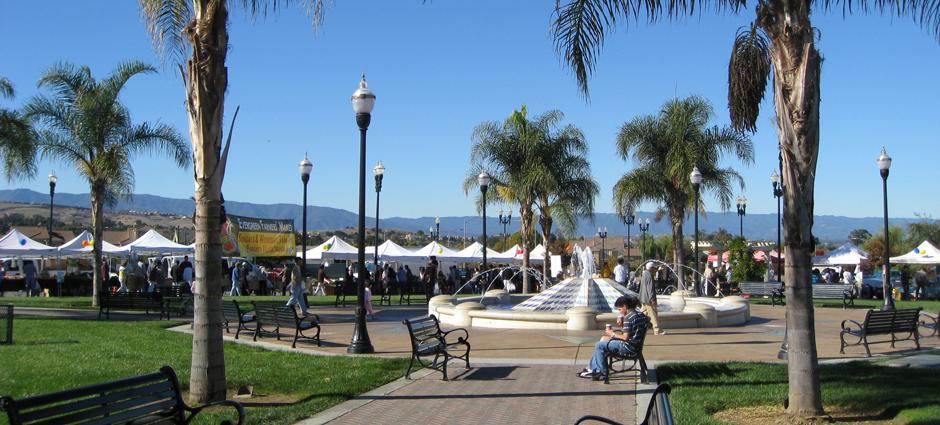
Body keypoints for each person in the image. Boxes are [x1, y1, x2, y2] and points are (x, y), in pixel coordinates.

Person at [579, 295, 649, 380]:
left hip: (628, 347)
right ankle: (591, 368)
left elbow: (625, 338)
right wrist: (622, 325)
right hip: (635, 346)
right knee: (603, 339)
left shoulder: (629, 317)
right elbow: (633, 331)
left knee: (599, 345)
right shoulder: (640, 315)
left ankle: (601, 371)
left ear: (625, 306)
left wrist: (612, 334)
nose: (620, 312)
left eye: (620, 309)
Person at [639, 262, 665, 336]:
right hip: (648, 299)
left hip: (643, 298)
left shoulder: (644, 274)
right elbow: (650, 288)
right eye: (654, 268)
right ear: (651, 268)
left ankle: (638, 328)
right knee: (653, 315)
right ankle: (657, 330)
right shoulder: (649, 275)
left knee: (642, 315)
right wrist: (652, 299)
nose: (655, 270)